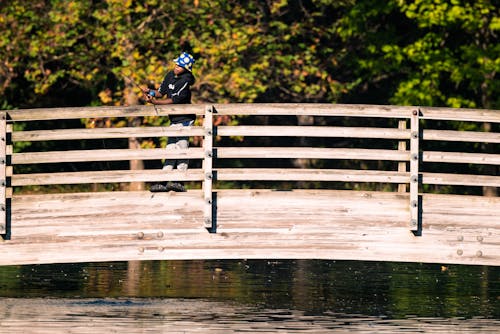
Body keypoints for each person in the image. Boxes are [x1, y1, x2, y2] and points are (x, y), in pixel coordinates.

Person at [145, 52, 196, 192]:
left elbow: (174, 100)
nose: (177, 67)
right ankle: (163, 181)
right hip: (173, 120)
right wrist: (151, 93)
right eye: (177, 64)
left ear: (187, 68)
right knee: (170, 150)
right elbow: (161, 92)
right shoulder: (169, 75)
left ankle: (179, 181)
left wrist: (156, 103)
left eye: (180, 65)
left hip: (185, 120)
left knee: (182, 149)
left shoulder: (186, 81)